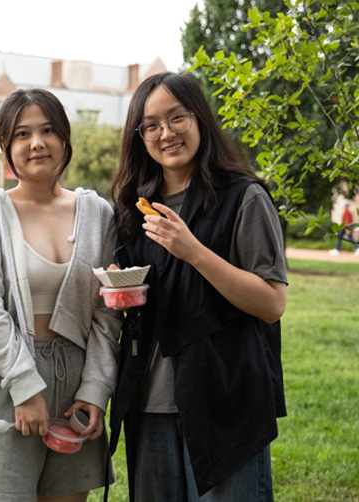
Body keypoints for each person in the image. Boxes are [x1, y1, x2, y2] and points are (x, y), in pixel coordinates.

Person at [108, 71, 288, 501]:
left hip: (224, 401)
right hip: (149, 403)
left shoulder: (244, 197)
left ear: (200, 119)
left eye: (177, 118)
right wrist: (119, 292)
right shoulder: (137, 206)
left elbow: (271, 302)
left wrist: (193, 250)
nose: (165, 133)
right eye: (150, 125)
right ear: (140, 136)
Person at [0, 88, 122, 502]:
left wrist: (95, 390)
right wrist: (26, 387)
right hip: (2, 380)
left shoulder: (98, 213)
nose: (36, 143)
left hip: (76, 387)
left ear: (64, 138)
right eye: (22, 134)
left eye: (48, 130)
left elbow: (107, 312)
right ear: (6, 147)